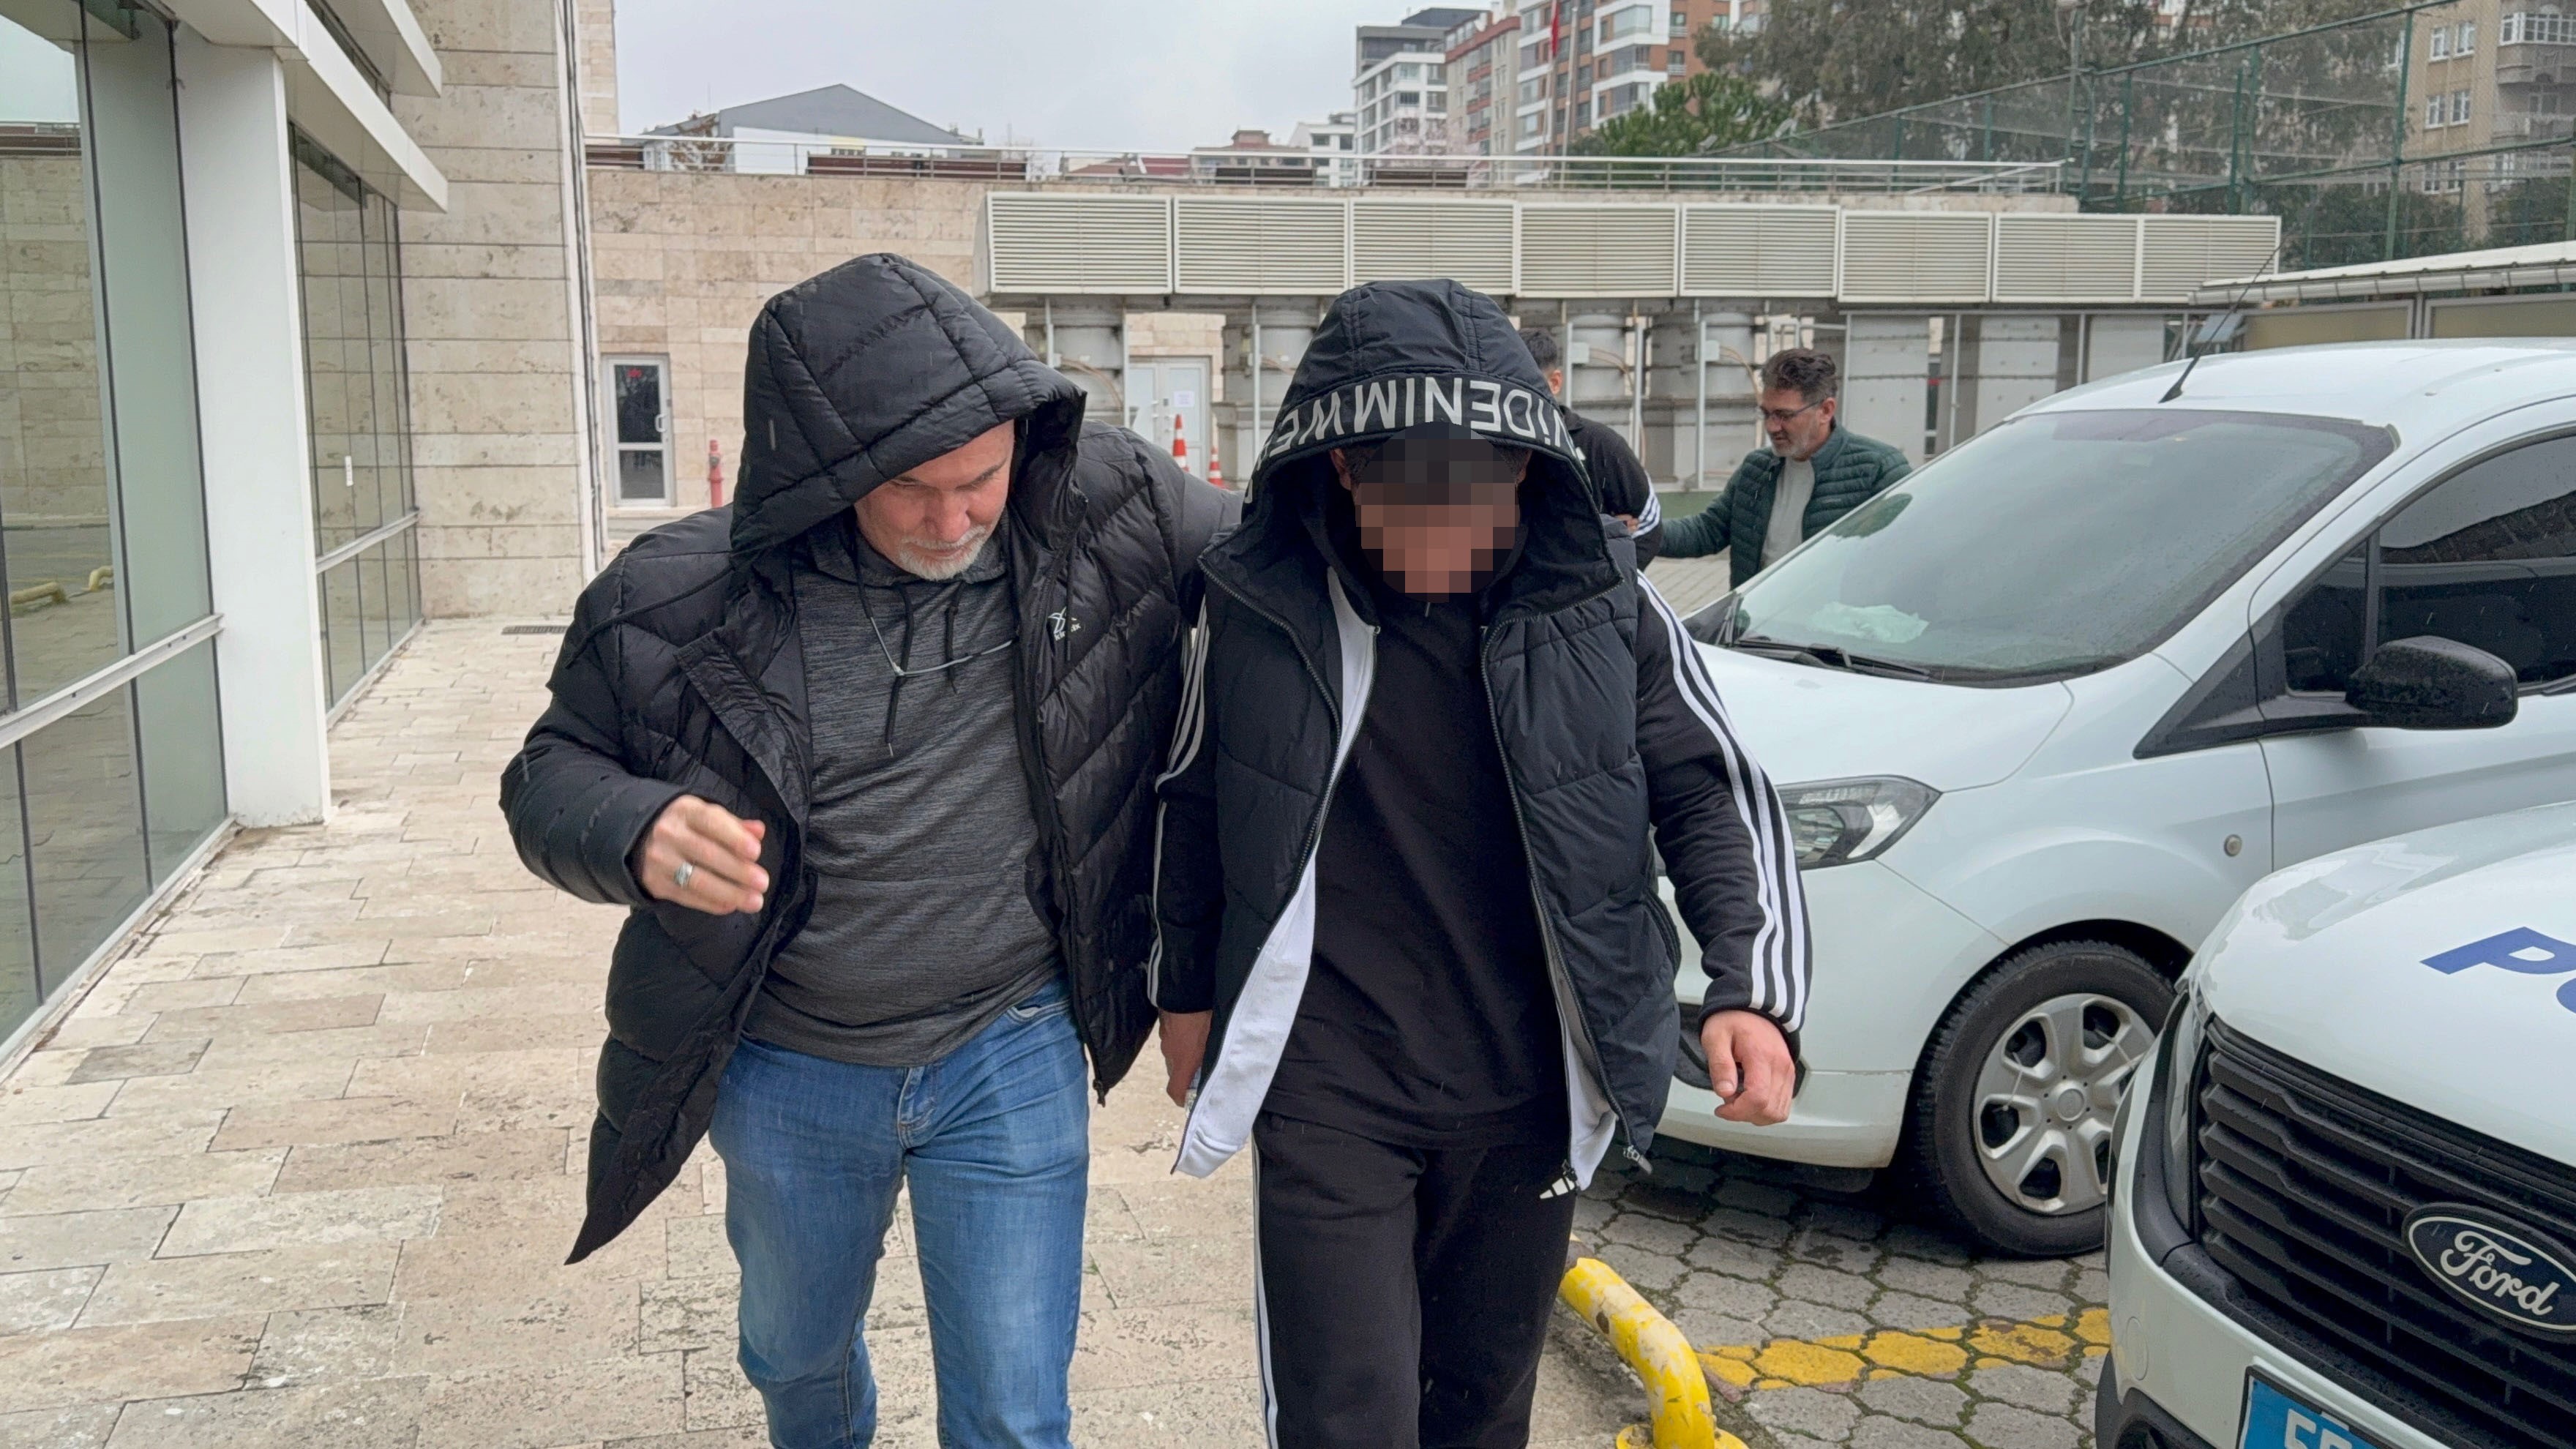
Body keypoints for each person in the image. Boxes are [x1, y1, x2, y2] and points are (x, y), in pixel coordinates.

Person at [499, 253, 1233, 1449]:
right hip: (790, 1062)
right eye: (910, 491)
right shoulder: (674, 600)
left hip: (1010, 1043)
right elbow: (549, 772)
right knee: (794, 1360)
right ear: (824, 469)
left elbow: (1296, 570)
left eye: (981, 480)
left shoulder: (1117, 511)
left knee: (1013, 1410)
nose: (953, 522)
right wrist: (631, 829)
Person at [1150, 280, 1811, 1449]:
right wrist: (1187, 993)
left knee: (1482, 1408)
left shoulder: (1605, 602)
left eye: (1484, 496)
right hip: (1331, 1084)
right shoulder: (1256, 602)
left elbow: (1709, 788)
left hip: (1529, 1081)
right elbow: (1196, 797)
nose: (1453, 536)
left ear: (1524, 470)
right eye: (1417, 502)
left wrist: (1749, 989)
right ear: (1345, 471)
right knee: (1342, 1415)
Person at [1658, 347, 1911, 585]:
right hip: (1756, 616)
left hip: (1834, 617)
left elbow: (1908, 559)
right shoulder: (1757, 469)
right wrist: (1643, 530)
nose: (1772, 426)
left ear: (1826, 410)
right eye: (1766, 414)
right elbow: (1707, 531)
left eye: (1785, 415)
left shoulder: (1878, 471)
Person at [1518, 324, 1663, 564]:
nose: (1520, 396)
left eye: (1529, 385)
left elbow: (1648, 522)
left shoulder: (1600, 445)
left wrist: (1610, 578)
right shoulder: (1493, 446)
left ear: (1555, 382)